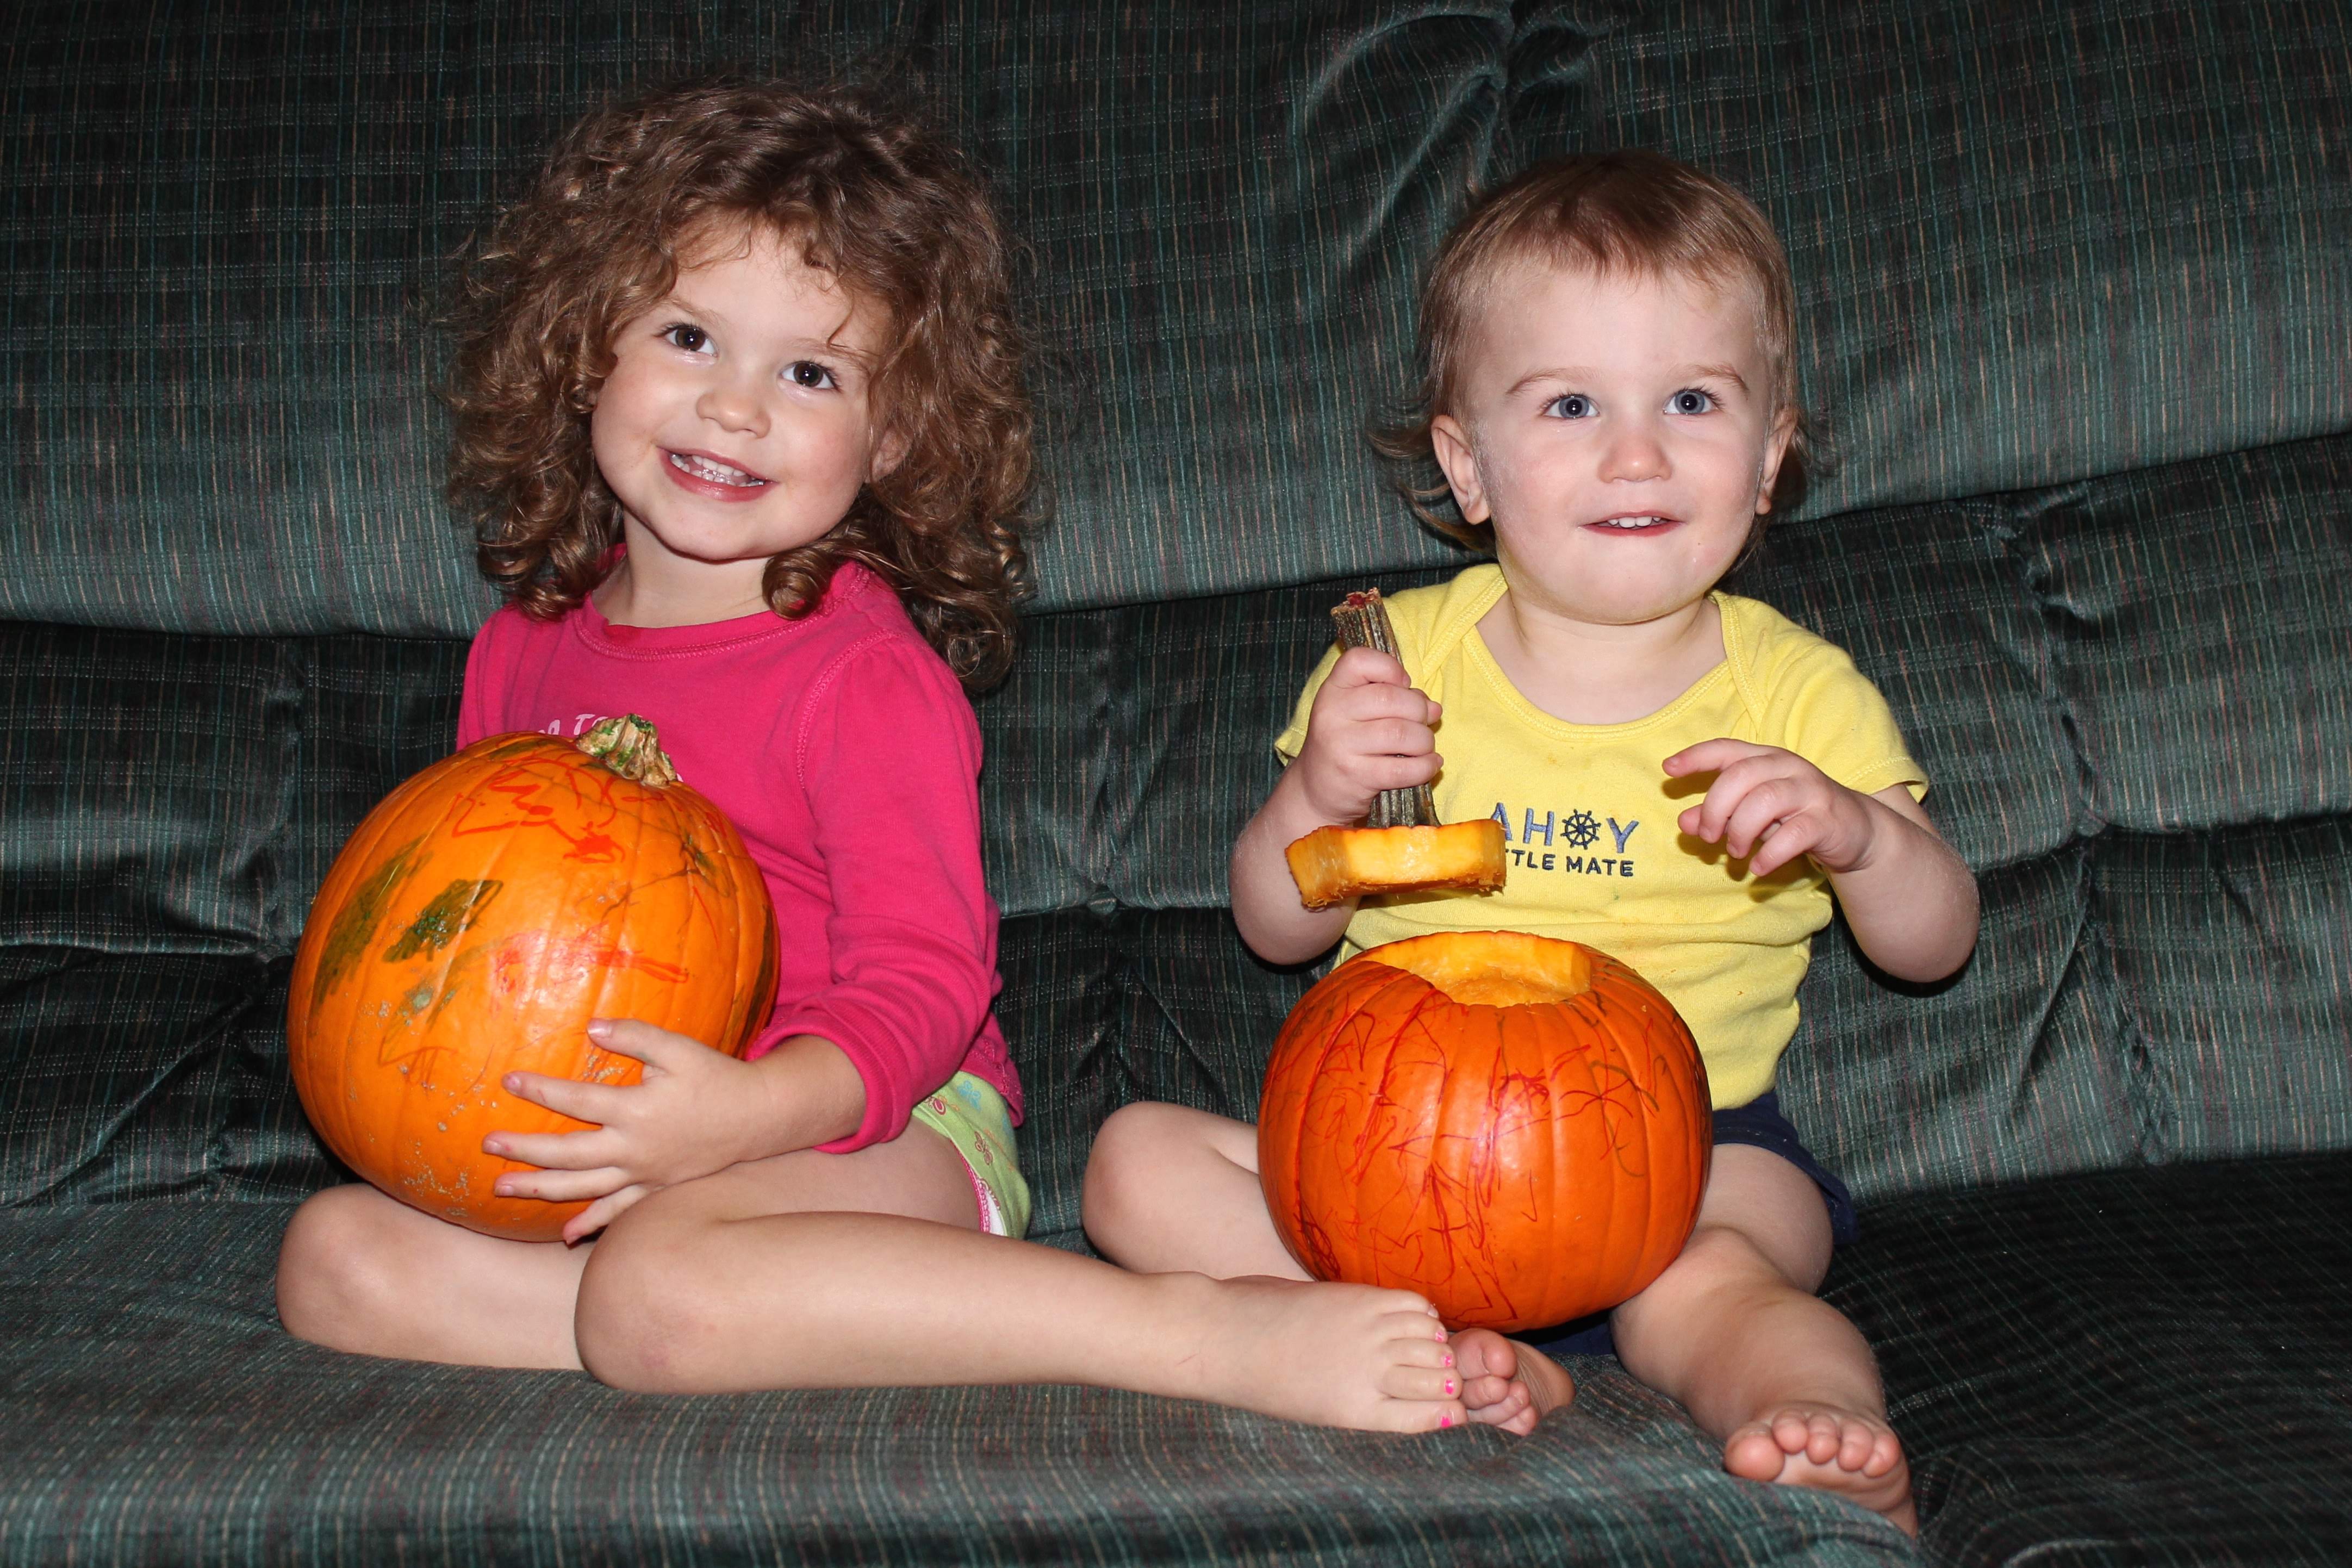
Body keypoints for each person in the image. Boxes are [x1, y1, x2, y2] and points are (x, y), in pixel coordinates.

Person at [274, 79, 1470, 1434]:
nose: (734, 408)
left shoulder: (859, 675)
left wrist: (748, 1113)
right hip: (634, 1158)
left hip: (883, 1123)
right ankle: (728, 1318)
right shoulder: (517, 653)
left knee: (661, 1281)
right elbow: (467, 946)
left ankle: (1188, 1328)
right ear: (587, 347)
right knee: (335, 1257)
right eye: (687, 336)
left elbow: (925, 982)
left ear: (890, 435)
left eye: (810, 373)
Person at [1081, 151, 1979, 1532]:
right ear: (1469, 465)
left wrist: (1860, 836)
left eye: (1693, 401)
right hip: (1392, 1141)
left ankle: (1816, 1416)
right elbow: (1277, 926)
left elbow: (1938, 946)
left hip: (1687, 1147)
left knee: (1726, 1277)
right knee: (1133, 1163)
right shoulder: (1396, 667)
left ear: (1768, 457)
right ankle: (1460, 1346)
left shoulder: (1801, 694)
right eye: (1572, 403)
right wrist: (1317, 792)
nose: (1638, 452)